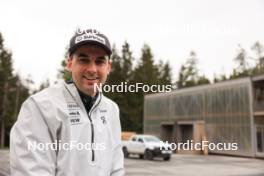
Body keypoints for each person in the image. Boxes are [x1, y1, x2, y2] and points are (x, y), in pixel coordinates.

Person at [10, 28, 125, 176]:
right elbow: (31, 171)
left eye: (100, 61)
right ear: (70, 63)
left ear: (108, 67)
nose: (92, 69)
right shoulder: (40, 107)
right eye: (83, 60)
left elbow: (116, 168)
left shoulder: (111, 110)